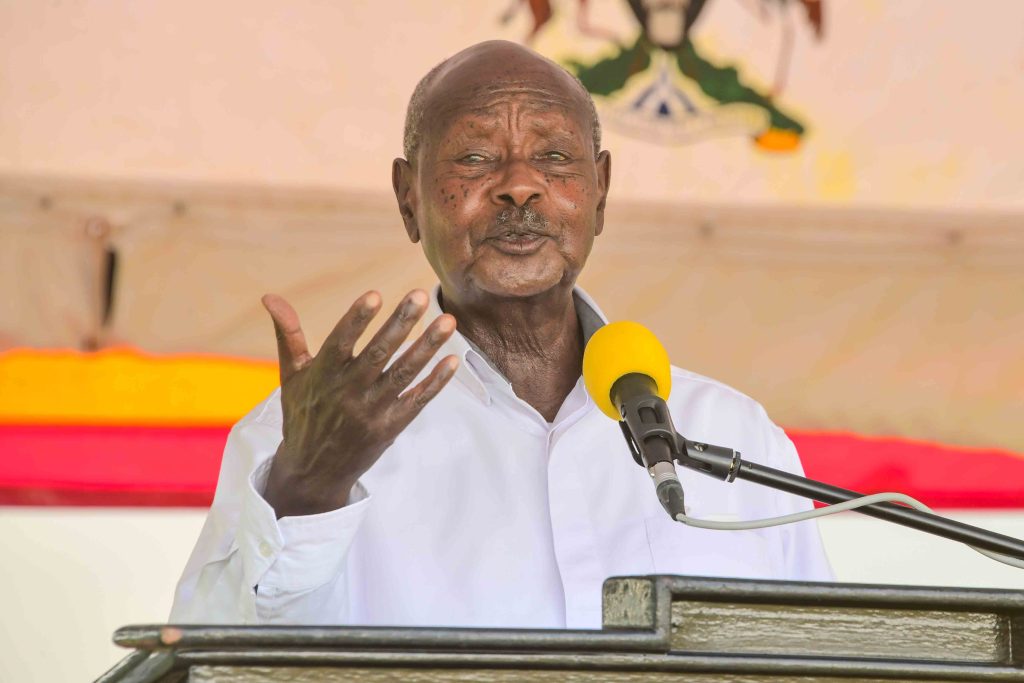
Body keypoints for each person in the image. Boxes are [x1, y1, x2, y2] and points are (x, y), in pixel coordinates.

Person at [170, 40, 832, 629]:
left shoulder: (739, 437)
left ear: (600, 189)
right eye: (476, 156)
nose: (520, 186)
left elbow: (821, 662)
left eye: (553, 156)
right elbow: (204, 661)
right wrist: (306, 491)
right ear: (409, 197)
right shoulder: (297, 441)